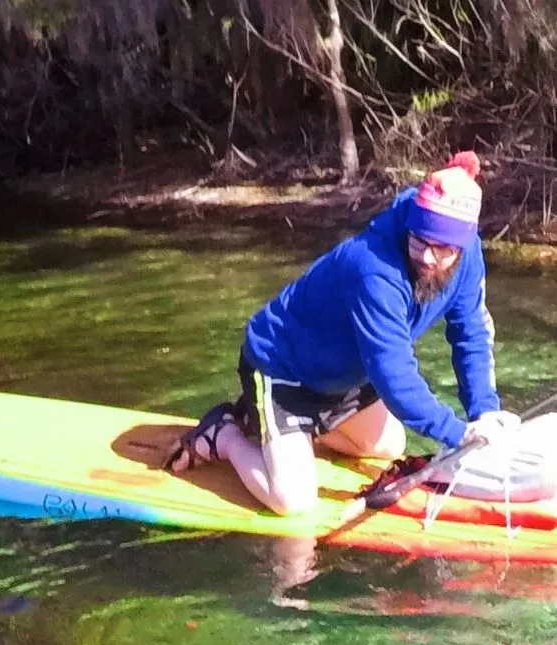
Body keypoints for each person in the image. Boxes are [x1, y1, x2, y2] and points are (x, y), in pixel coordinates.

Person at [165, 151, 519, 517]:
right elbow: (394, 375)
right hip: (283, 369)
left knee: (388, 445)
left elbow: (471, 334)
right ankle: (225, 434)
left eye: (443, 249)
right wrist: (458, 433)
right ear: (411, 226)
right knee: (293, 502)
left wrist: (484, 412)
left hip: (343, 378)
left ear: (463, 245)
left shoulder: (469, 257)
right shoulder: (373, 269)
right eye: (419, 241)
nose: (428, 258)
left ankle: (276, 426)